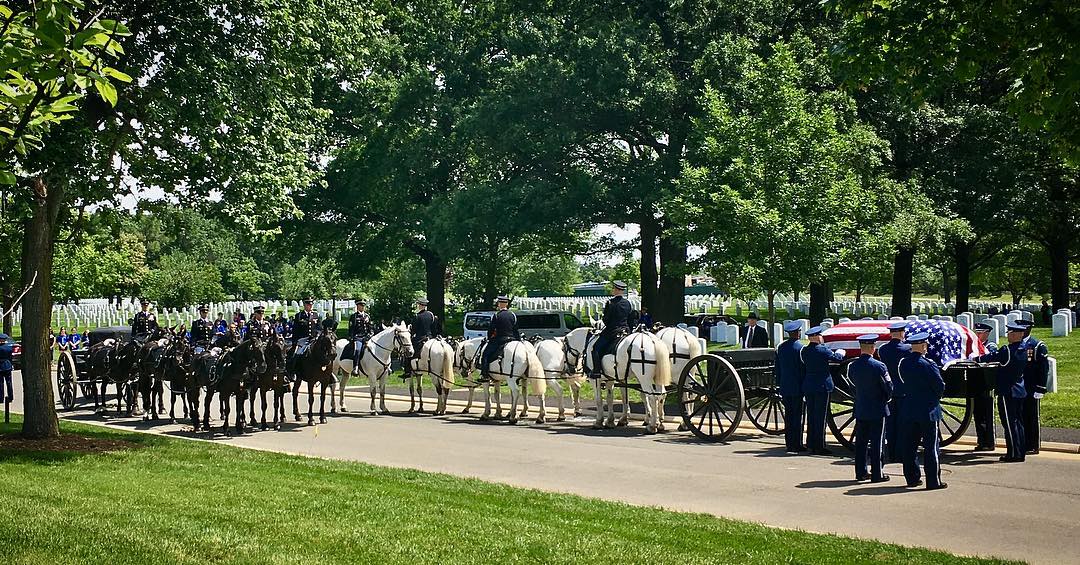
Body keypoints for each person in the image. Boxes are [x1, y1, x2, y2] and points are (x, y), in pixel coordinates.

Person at [897, 332, 947, 490]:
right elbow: (939, 386)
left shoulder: (903, 363)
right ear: (924, 345)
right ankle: (933, 481)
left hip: (910, 408)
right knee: (931, 447)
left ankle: (912, 478)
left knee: (909, 446)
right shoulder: (929, 364)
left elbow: (903, 381)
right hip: (928, 409)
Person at [973, 322, 1028, 462]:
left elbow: (990, 357)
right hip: (1020, 390)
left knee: (1010, 423)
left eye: (1010, 332)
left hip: (1007, 391)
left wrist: (975, 359)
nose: (1008, 335)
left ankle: (1013, 453)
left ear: (1017, 334)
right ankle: (1020, 451)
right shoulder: (1024, 348)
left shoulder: (1007, 350)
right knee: (1018, 423)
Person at [850, 334, 892, 482]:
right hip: (877, 409)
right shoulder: (879, 366)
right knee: (877, 443)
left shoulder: (853, 366)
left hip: (861, 408)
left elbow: (853, 385)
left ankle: (861, 472)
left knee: (861, 443)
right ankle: (877, 473)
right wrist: (886, 398)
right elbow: (888, 387)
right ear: (873, 348)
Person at [800, 326, 845, 455]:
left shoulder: (805, 351)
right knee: (820, 417)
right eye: (820, 335)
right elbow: (837, 358)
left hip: (809, 385)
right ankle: (819, 446)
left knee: (812, 415)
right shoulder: (822, 350)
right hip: (822, 386)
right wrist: (842, 352)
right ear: (815, 337)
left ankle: (810, 443)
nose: (822, 337)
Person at [878, 321, 910, 463]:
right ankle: (901, 453)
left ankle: (891, 452)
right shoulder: (908, 348)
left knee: (891, 424)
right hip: (903, 390)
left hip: (889, 391)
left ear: (891, 333)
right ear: (902, 333)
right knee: (903, 424)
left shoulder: (883, 349)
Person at [1015, 319, 1048, 454]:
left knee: (1032, 416)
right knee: (1021, 415)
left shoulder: (1037, 345)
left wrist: (1041, 387)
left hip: (1032, 386)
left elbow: (1043, 368)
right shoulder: (1016, 344)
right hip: (1019, 387)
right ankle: (1023, 443)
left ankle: (1033, 444)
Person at [589, 281, 633, 378]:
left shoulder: (610, 303)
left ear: (617, 290)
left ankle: (597, 371)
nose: (613, 290)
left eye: (614, 289)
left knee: (595, 348)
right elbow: (630, 318)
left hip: (612, 331)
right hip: (626, 331)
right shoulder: (627, 303)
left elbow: (606, 320)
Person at [774, 321, 806, 453]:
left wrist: (779, 384)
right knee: (797, 417)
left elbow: (778, 369)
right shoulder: (801, 348)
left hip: (785, 386)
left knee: (789, 416)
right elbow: (803, 369)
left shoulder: (781, 348)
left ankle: (789, 443)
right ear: (798, 333)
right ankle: (796, 444)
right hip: (797, 387)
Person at [480, 296, 521, 381]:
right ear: (507, 304)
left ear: (499, 304)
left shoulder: (496, 315)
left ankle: (484, 375)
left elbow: (491, 329)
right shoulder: (513, 315)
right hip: (512, 339)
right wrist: (518, 341)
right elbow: (516, 329)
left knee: (485, 354)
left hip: (500, 339)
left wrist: (489, 338)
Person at [971, 322, 998, 451]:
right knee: (978, 414)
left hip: (986, 384)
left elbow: (990, 360)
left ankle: (989, 442)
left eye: (981, 332)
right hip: (976, 383)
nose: (978, 334)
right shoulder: (973, 345)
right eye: (977, 332)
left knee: (987, 415)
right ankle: (982, 441)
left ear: (987, 333)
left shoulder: (990, 346)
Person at [406, 298, 437, 377]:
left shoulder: (417, 316)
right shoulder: (431, 315)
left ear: (420, 305)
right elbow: (434, 328)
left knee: (408, 352)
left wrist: (411, 331)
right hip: (430, 337)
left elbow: (414, 330)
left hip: (420, 338)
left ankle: (408, 370)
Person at [348, 299, 375, 375]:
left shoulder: (367, 316)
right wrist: (352, 337)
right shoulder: (354, 316)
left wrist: (370, 335)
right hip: (358, 337)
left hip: (367, 337)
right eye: (361, 305)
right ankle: (355, 367)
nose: (362, 307)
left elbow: (371, 328)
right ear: (357, 306)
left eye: (363, 305)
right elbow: (351, 329)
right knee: (358, 350)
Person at [0, 333, 14, 408]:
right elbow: (10, 357)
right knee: (9, 383)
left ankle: (1, 398)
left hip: (0, 367)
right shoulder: (8, 348)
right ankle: (11, 397)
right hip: (7, 366)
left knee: (0, 383)